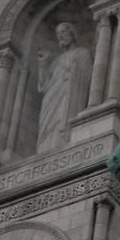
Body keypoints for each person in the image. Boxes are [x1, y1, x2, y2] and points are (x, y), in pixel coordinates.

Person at [34, 22, 92, 151]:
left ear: (72, 34)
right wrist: (42, 64)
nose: (60, 36)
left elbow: (85, 78)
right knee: (48, 125)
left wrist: (70, 72)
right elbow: (44, 86)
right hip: (51, 98)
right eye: (58, 34)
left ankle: (63, 142)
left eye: (63, 32)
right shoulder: (55, 62)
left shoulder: (82, 53)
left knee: (61, 121)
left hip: (70, 96)